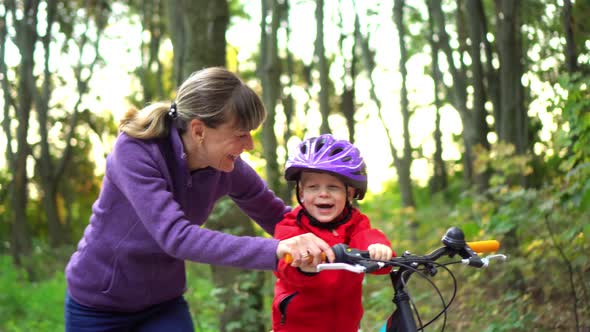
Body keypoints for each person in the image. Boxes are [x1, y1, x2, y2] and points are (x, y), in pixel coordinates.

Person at [64, 67, 334, 332]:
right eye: (241, 134)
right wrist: (276, 251)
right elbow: (176, 236)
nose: (249, 145)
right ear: (198, 130)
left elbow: (276, 214)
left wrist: (342, 241)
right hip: (99, 304)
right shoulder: (136, 151)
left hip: (162, 304)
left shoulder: (227, 167)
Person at [271, 134, 395, 332]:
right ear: (301, 193)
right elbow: (282, 266)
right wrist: (302, 266)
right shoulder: (291, 226)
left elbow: (366, 237)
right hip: (297, 326)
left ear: (350, 193)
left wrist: (377, 248)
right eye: (313, 187)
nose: (323, 194)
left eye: (333, 187)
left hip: (346, 326)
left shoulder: (356, 223)